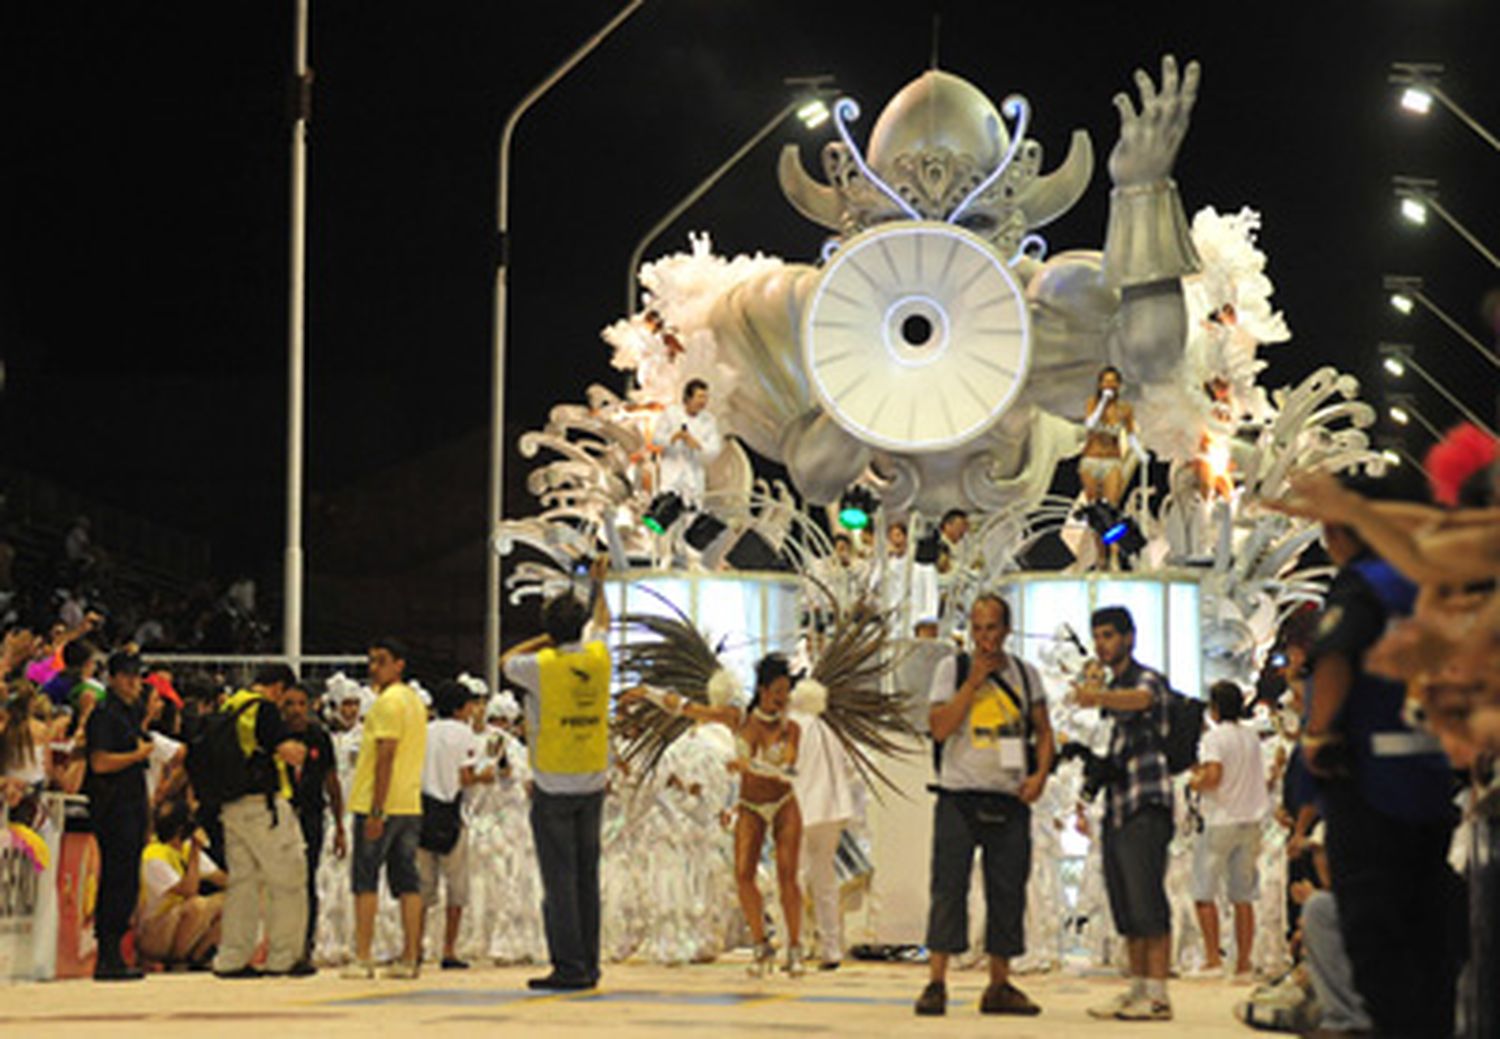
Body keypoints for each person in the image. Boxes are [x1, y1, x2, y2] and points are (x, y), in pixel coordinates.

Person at [1300, 498, 1463, 1037]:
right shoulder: (1429, 584)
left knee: (1376, 938)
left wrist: (1318, 734)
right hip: (1433, 784)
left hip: (1370, 787)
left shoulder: (1363, 583)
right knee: (1430, 934)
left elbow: (1335, 656)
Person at [622, 652, 807, 977]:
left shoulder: (790, 729)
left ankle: (795, 946)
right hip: (750, 804)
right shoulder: (738, 719)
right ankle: (762, 946)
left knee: (787, 876)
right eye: (778, 691)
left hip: (783, 804)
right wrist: (648, 692)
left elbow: (789, 770)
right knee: (742, 875)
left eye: (786, 692)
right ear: (763, 690)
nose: (783, 699)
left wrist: (751, 765)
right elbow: (687, 708)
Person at [914, 594, 1054, 1017]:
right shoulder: (951, 670)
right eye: (977, 628)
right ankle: (936, 981)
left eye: (992, 627)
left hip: (1009, 797)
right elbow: (938, 728)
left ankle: (999, 982)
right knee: (948, 887)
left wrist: (1040, 775)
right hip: (959, 794)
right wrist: (972, 683)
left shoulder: (1026, 676)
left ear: (1006, 630)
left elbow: (1044, 731)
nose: (985, 637)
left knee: (1008, 890)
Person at [502, 559, 612, 990]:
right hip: (592, 780)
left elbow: (506, 659)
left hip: (553, 784)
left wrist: (549, 636)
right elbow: (604, 620)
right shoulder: (599, 657)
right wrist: (598, 588)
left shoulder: (540, 666)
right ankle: (589, 963)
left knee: (560, 880)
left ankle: (569, 967)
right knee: (587, 877)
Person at [1074, 605, 1175, 1021]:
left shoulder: (1144, 679)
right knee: (1127, 903)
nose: (1102, 644)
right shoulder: (1112, 692)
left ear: (1129, 638)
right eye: (1097, 636)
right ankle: (1137, 988)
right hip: (1116, 808)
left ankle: (1158, 995)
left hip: (1146, 803)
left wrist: (1096, 695)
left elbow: (1144, 699)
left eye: (1109, 635)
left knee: (1148, 898)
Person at [212, 664, 311, 978]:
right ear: (279, 687)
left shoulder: (230, 705)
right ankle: (284, 957)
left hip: (231, 805)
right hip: (263, 807)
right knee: (288, 881)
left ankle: (231, 958)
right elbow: (287, 751)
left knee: (242, 884)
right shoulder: (264, 709)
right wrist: (298, 750)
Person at [344, 637, 428, 979]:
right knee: (408, 882)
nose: (373, 667)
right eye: (371, 660)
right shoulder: (414, 702)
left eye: (381, 660)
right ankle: (410, 957)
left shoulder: (387, 704)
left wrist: (376, 810)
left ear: (399, 664)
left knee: (365, 881)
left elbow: (386, 754)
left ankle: (363, 956)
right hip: (409, 802)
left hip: (377, 803)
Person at [1187, 680, 1268, 979]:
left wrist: (1193, 781)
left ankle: (1212, 960)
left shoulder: (1214, 738)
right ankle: (1243, 964)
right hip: (1252, 819)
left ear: (1215, 708)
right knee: (1242, 895)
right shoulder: (1251, 737)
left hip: (1221, 819)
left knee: (1204, 892)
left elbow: (1214, 776)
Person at [84, 650, 154, 980]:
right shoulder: (105, 714)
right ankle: (108, 954)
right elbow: (99, 762)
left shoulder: (129, 713)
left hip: (132, 803)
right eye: (127, 676)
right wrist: (136, 754)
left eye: (137, 677)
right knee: (116, 878)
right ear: (112, 678)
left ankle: (115, 955)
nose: (133, 683)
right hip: (113, 807)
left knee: (126, 881)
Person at [418, 679, 495, 969]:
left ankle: (416, 945)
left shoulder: (424, 732)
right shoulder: (465, 735)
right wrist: (485, 776)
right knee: (456, 887)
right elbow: (466, 777)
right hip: (453, 814)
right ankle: (448, 950)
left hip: (423, 812)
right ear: (463, 707)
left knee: (422, 887)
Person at [280, 681, 345, 966]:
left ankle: (305, 945)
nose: (295, 710)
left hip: (311, 815)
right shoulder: (274, 736)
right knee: (279, 882)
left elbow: (332, 782)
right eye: (289, 704)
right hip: (279, 816)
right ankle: (278, 944)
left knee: (307, 880)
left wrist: (340, 826)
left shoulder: (319, 737)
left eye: (300, 704)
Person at [791, 695, 855, 971]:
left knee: (793, 879)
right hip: (832, 812)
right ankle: (831, 947)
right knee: (825, 880)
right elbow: (849, 769)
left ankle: (795, 945)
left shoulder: (792, 727)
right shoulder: (829, 730)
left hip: (801, 810)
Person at [137, 799, 226, 969]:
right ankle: (178, 962)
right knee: (196, 905)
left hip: (175, 924)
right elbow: (189, 890)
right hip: (152, 933)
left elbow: (221, 879)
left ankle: (199, 958)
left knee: (230, 902)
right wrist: (195, 851)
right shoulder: (154, 856)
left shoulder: (183, 848)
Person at [650, 378, 723, 508]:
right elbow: (656, 438)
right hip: (671, 476)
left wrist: (697, 445)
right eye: (700, 397)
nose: (703, 401)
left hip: (694, 479)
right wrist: (673, 438)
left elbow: (715, 449)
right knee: (666, 513)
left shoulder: (709, 420)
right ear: (688, 398)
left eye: (705, 397)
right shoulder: (671, 413)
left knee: (690, 514)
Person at [1079, 366, 1143, 509]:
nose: (1109, 385)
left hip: (1112, 460)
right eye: (1105, 381)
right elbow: (1090, 425)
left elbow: (1130, 435)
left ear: (1119, 385)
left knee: (1111, 505)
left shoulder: (1125, 409)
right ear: (1100, 384)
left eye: (1113, 381)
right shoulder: (1092, 403)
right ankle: (1094, 530)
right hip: (1091, 459)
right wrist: (1102, 403)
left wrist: (1140, 453)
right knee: (1093, 507)